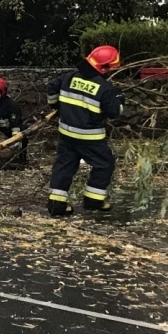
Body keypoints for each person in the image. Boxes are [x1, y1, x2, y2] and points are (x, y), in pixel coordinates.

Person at [46, 45, 124, 215]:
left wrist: (55, 105)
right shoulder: (105, 88)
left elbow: (52, 86)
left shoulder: (69, 77)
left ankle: (56, 205)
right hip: (90, 138)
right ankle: (94, 200)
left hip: (66, 134)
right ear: (104, 68)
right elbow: (115, 113)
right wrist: (119, 98)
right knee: (104, 164)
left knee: (64, 166)